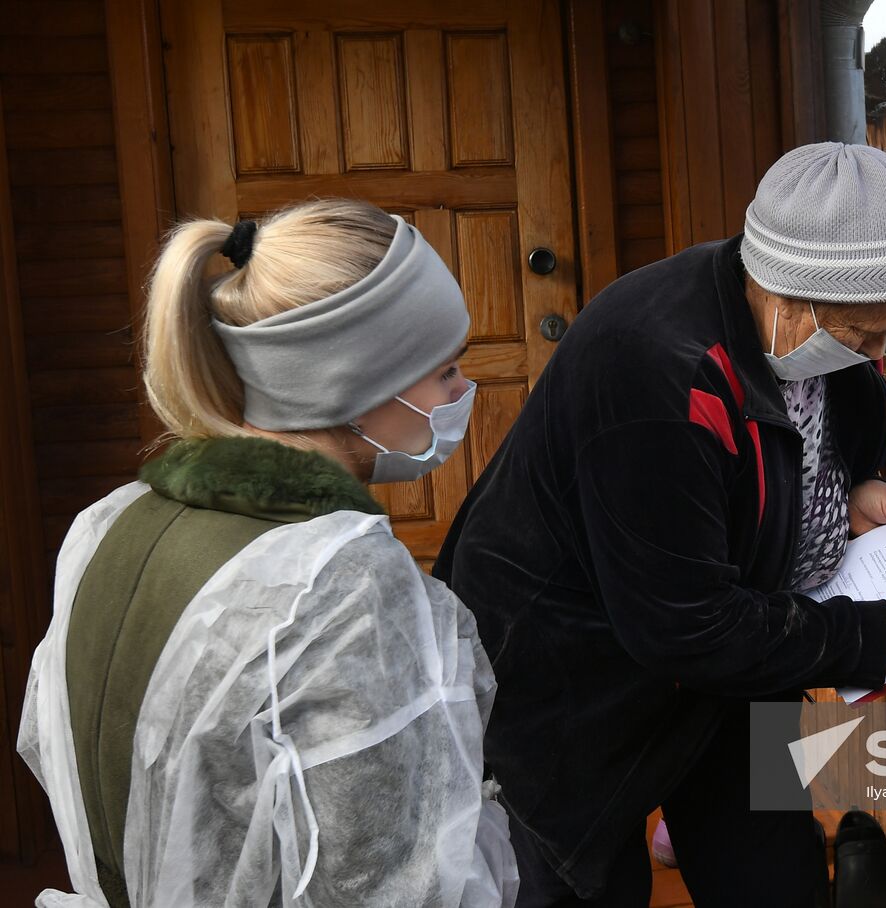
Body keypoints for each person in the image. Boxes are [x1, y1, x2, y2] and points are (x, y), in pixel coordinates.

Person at [433, 142, 886, 906]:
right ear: (792, 296)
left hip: (729, 668)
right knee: (587, 882)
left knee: (776, 878)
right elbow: (683, 626)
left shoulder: (791, 326)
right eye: (864, 336)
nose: (877, 357)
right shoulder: (655, 368)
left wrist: (845, 486)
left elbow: (809, 432)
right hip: (575, 685)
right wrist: (881, 635)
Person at [18, 200, 518, 907]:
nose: (463, 391)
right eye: (444, 370)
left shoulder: (110, 522)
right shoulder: (343, 583)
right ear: (355, 383)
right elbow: (394, 877)